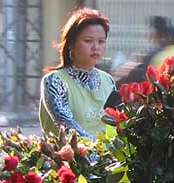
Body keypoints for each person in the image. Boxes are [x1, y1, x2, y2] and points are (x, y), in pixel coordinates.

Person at [39, 7, 116, 141]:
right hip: (67, 159)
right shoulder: (55, 81)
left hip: (109, 159)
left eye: (101, 41)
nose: (95, 47)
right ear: (71, 44)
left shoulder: (108, 80)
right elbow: (67, 126)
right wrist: (99, 149)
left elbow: (117, 123)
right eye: (88, 41)